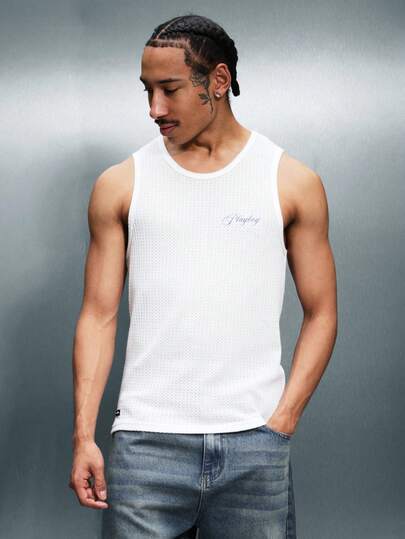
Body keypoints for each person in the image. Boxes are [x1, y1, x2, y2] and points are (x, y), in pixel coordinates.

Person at [69, 13, 337, 539]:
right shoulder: (120, 185)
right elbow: (98, 316)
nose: (154, 108)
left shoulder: (290, 181)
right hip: (145, 447)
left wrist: (282, 422)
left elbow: (322, 311)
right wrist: (83, 436)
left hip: (254, 445)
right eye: (147, 90)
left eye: (169, 90)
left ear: (217, 80)